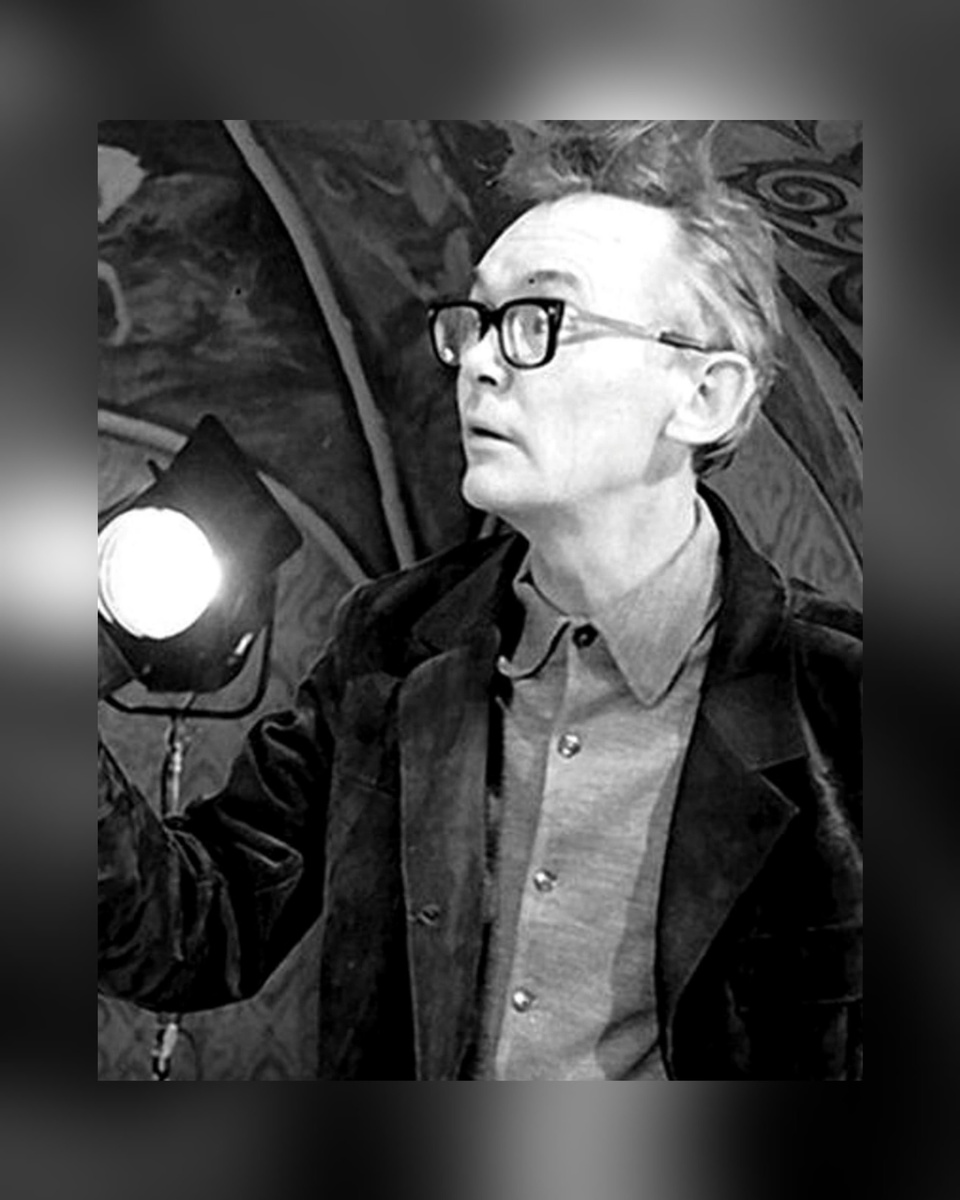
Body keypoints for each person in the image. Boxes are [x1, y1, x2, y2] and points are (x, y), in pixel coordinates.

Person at [98, 122, 862, 1080]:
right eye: (477, 321)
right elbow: (192, 930)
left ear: (705, 395)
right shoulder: (389, 646)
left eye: (542, 319)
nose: (477, 363)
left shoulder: (847, 700)